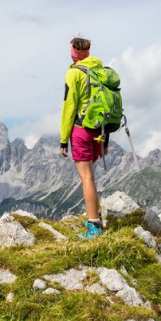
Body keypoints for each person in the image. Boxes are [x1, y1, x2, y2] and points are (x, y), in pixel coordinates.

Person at [60, 36, 107, 239]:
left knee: (87, 178)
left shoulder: (74, 74)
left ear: (74, 52)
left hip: (81, 130)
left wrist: (63, 139)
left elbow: (69, 107)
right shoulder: (100, 70)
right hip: (100, 130)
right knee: (91, 176)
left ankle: (94, 226)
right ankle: (95, 216)